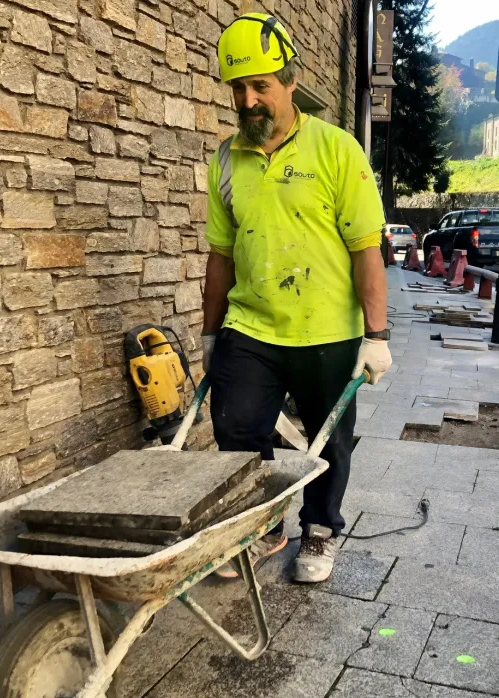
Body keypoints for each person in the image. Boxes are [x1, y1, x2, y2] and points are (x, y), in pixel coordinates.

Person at [201, 13, 392, 583]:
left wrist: (377, 337)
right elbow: (221, 255)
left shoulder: (337, 151)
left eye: (261, 85)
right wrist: (211, 332)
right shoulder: (226, 160)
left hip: (327, 330)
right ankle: (261, 526)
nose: (248, 99)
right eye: (239, 88)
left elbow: (366, 250)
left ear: (289, 82)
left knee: (328, 439)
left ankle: (320, 529)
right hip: (251, 326)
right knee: (236, 432)